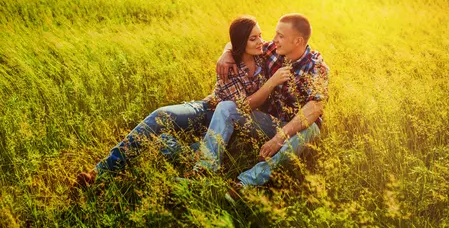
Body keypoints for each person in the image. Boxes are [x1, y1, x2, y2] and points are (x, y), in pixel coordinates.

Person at [75, 16, 290, 188]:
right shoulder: (229, 68)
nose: (261, 41)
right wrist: (229, 55)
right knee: (161, 116)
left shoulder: (264, 52)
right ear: (241, 43)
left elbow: (286, 45)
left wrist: (226, 50)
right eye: (253, 38)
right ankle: (99, 172)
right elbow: (243, 104)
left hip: (232, 122)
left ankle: (184, 156)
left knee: (181, 148)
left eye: (260, 36)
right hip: (209, 108)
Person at [194, 13, 329, 189]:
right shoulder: (274, 50)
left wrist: (279, 138)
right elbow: (242, 42)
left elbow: (315, 107)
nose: (273, 40)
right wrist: (226, 52)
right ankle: (204, 170)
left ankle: (246, 183)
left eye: (280, 36)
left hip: (299, 129)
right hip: (270, 123)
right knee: (226, 107)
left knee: (310, 129)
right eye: (275, 34)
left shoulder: (317, 67)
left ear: (297, 41)